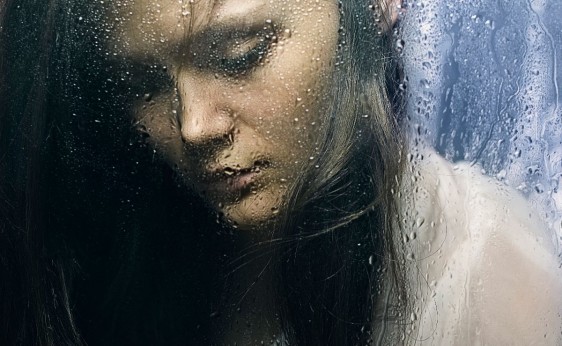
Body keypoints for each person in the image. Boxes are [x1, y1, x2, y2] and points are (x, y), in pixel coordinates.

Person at [0, 0, 560, 345]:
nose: (194, 126)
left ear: (373, 7)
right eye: (143, 84)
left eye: (240, 55)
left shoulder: (492, 286)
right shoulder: (145, 250)